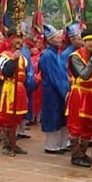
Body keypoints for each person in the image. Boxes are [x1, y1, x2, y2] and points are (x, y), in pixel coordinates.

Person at [65, 26, 92, 167]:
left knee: (89, 126)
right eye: (89, 40)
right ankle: (75, 156)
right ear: (83, 42)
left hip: (91, 94)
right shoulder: (75, 57)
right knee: (77, 125)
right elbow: (85, 75)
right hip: (79, 94)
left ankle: (83, 153)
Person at [38, 23, 69, 154]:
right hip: (52, 91)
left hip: (59, 90)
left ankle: (60, 144)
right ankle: (52, 146)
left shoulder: (57, 54)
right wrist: (65, 91)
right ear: (50, 40)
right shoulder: (48, 55)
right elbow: (54, 76)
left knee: (61, 117)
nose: (60, 39)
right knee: (53, 116)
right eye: (56, 38)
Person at [0, 29, 29, 156]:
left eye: (21, 38)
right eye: (16, 38)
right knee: (7, 117)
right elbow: (6, 72)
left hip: (20, 88)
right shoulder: (4, 55)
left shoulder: (23, 57)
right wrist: (12, 59)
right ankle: (7, 144)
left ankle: (13, 142)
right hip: (10, 88)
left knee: (18, 117)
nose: (19, 41)